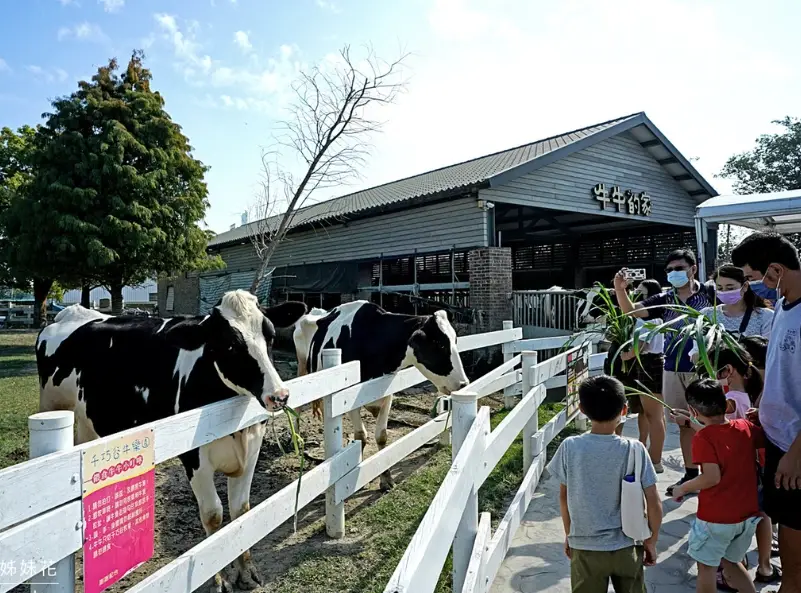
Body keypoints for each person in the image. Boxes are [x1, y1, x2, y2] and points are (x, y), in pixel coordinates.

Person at [731, 231, 801, 593]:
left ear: (775, 270)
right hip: (780, 440)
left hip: (795, 451)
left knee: (794, 551)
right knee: (787, 531)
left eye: (752, 277)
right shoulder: (783, 310)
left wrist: (796, 453)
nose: (751, 286)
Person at [615, 249, 714, 495]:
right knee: (684, 423)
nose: (673, 274)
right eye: (669, 270)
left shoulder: (711, 295)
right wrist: (620, 289)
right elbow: (632, 311)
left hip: (706, 368)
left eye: (679, 269)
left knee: (713, 423)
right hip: (672, 367)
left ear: (693, 269)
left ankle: (716, 474)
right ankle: (691, 474)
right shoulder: (664, 298)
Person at [551, 375, 662, 593]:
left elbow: (564, 497)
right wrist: (651, 540)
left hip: (585, 548)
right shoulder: (635, 449)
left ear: (581, 408)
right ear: (624, 409)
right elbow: (653, 500)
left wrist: (569, 534)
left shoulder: (570, 447)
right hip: (627, 546)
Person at [671, 379, 764, 593]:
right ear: (726, 404)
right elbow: (737, 436)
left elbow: (711, 478)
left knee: (706, 569)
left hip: (716, 518)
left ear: (693, 410)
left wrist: (682, 488)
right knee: (732, 563)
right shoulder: (744, 426)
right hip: (746, 514)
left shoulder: (703, 438)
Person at [707, 346, 780, 588]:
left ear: (728, 370)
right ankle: (764, 565)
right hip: (752, 468)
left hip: (736, 471)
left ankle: (733, 570)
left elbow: (714, 432)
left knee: (738, 519)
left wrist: (691, 419)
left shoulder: (728, 401)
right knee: (762, 514)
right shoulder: (744, 396)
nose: (709, 373)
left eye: (711, 368)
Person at [701, 265, 773, 338]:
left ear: (745, 286)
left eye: (730, 288)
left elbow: (769, 347)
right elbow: (697, 346)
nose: (724, 292)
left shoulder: (764, 316)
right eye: (720, 288)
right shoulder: (707, 314)